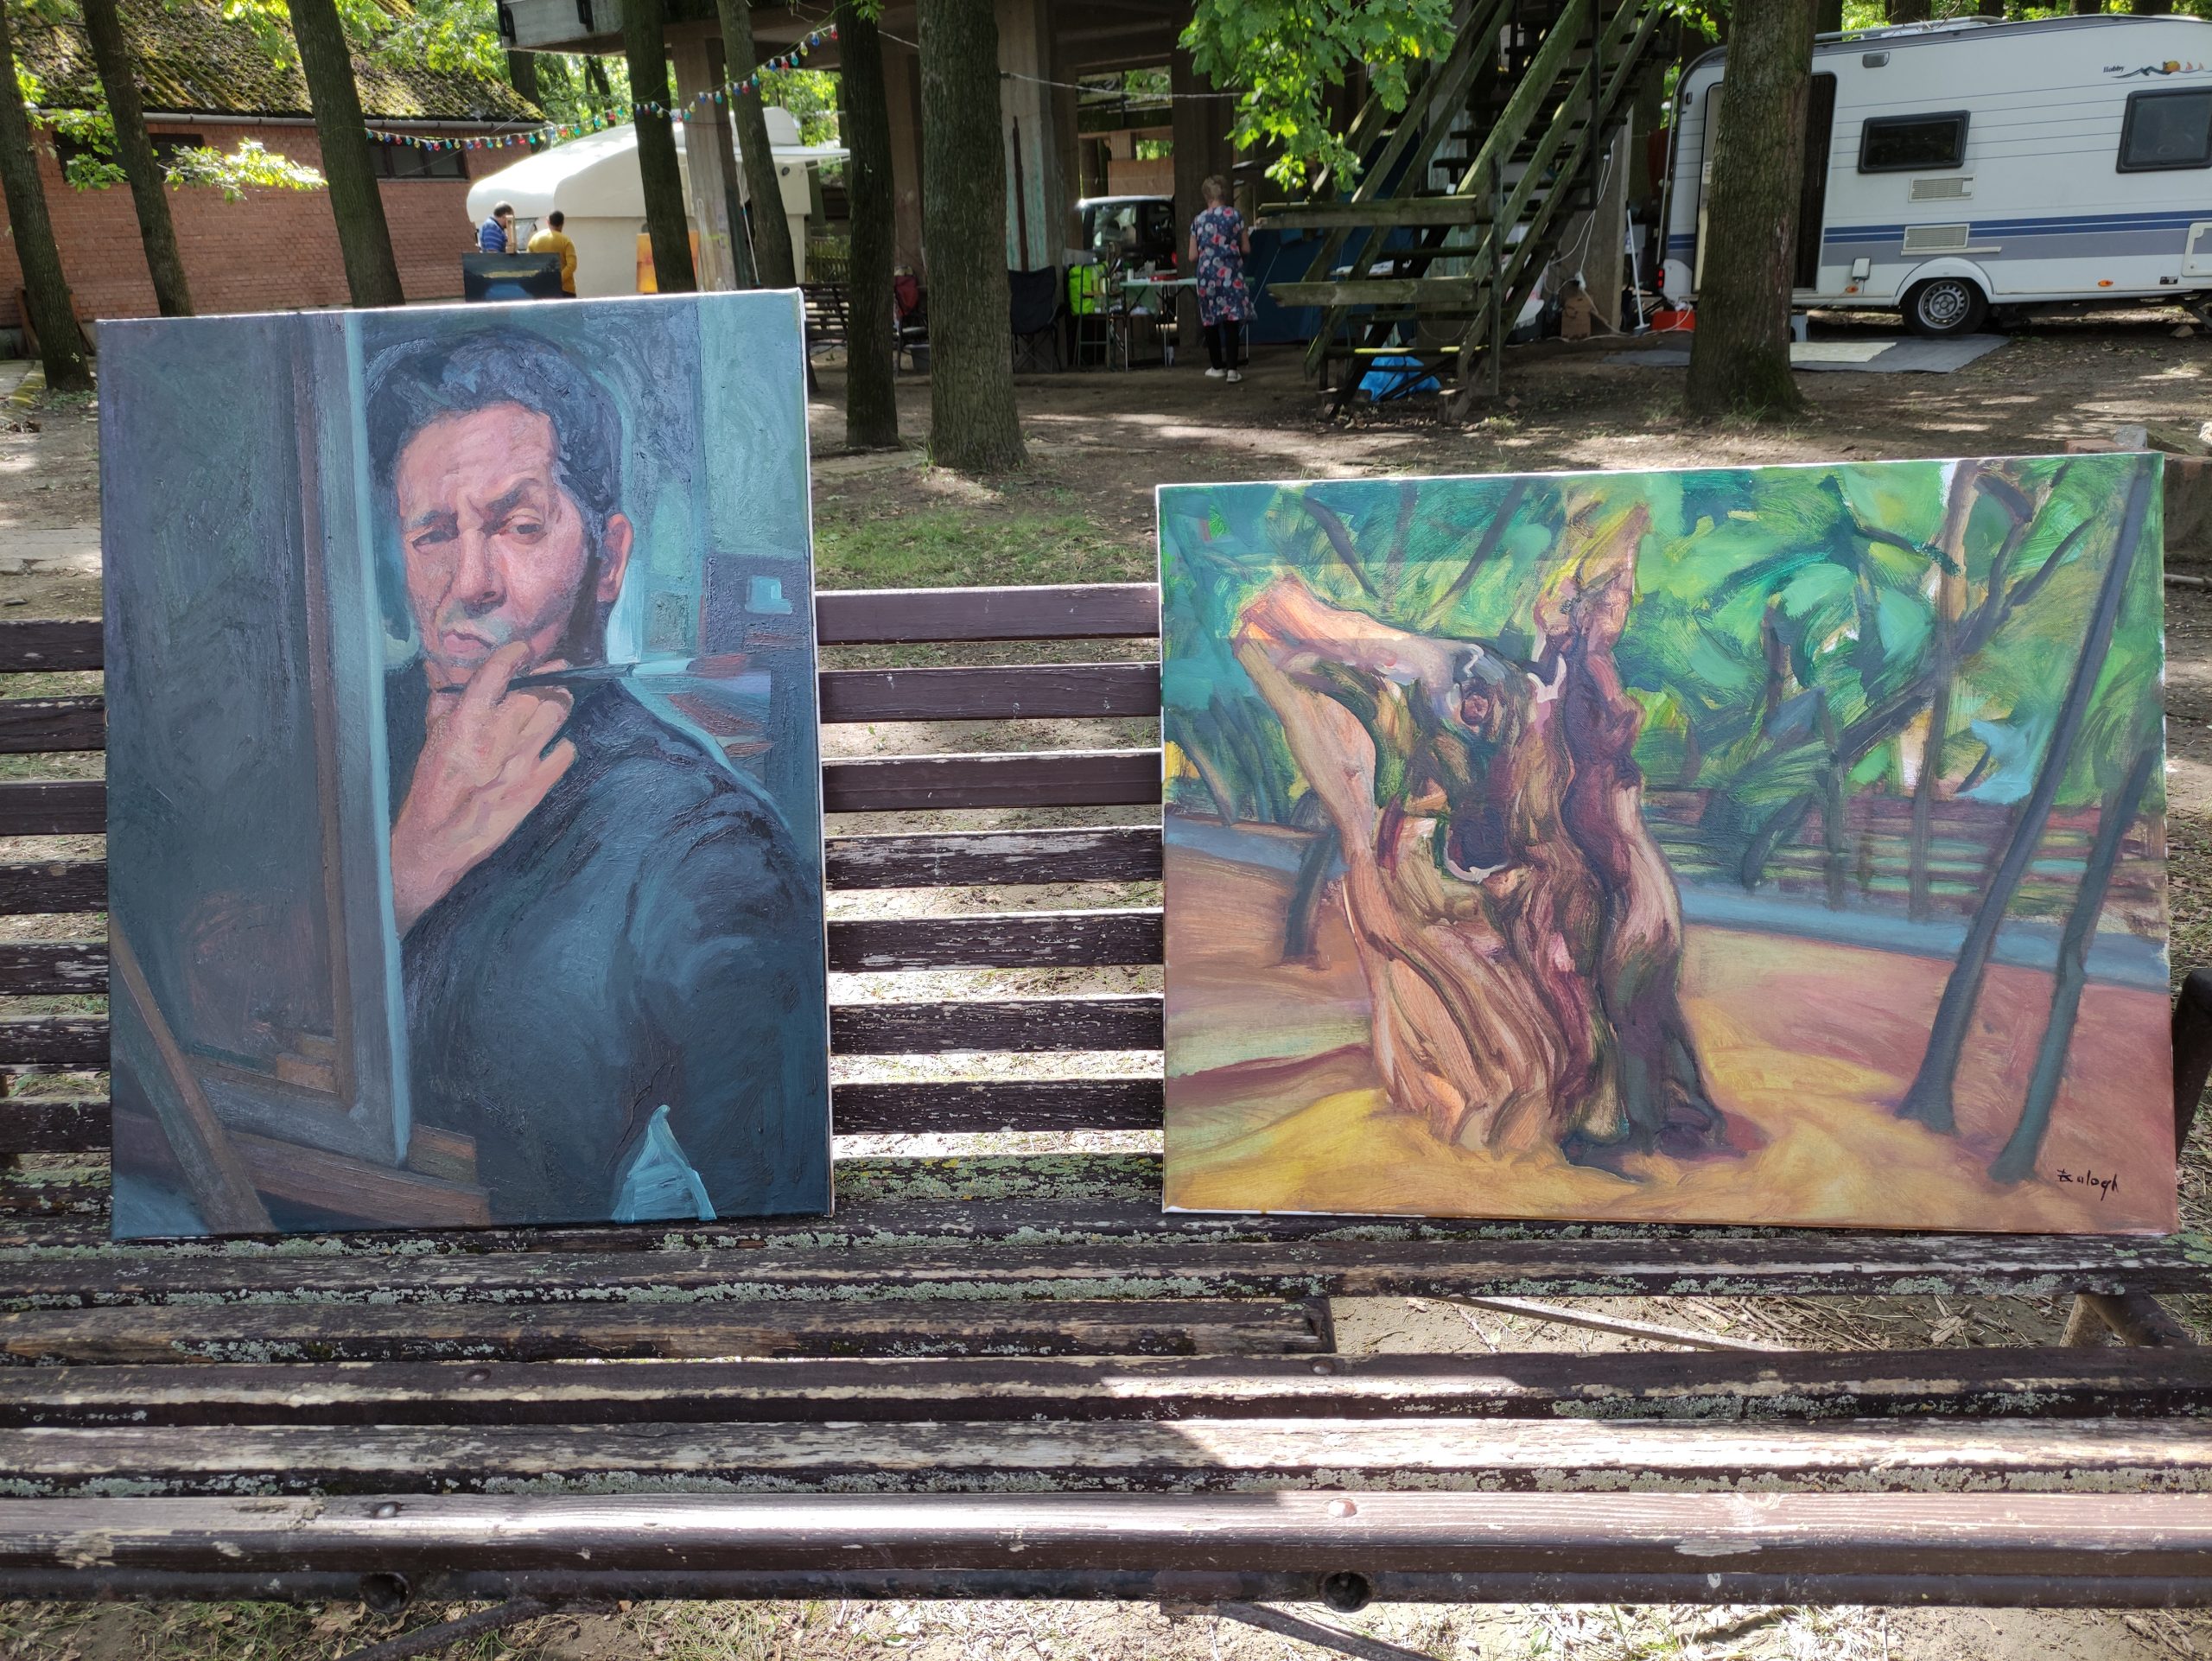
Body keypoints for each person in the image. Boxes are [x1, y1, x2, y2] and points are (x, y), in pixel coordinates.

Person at [363, 328, 825, 1225]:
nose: (471, 582)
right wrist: (404, 875)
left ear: (609, 559)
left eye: (519, 527)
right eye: (433, 534)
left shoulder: (706, 845)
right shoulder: (338, 747)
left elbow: (772, 1197)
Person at [1188, 175, 1253, 385]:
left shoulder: (1198, 220)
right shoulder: (1235, 216)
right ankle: (1233, 370)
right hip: (1231, 274)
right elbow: (1246, 248)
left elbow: (1192, 256)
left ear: (1206, 197)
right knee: (1231, 319)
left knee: (1210, 318)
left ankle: (1217, 367)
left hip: (1207, 276)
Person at [526, 209, 578, 296]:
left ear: (548, 221)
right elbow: (572, 265)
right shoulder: (566, 241)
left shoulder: (534, 239)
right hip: (564, 290)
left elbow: (528, 263)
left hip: (541, 289)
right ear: (562, 223)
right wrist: (557, 279)